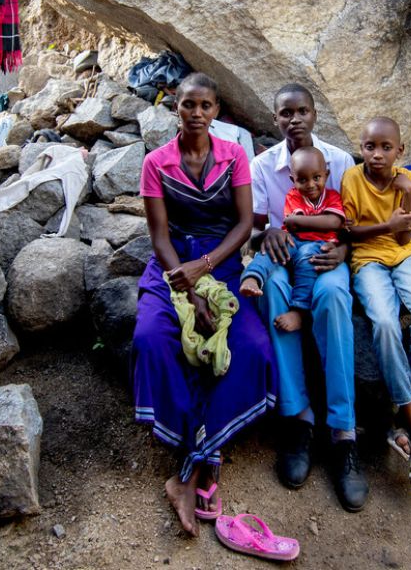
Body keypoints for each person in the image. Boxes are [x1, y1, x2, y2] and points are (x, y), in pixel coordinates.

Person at [131, 73, 277, 537]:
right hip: (172, 262)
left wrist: (208, 265)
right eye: (188, 104)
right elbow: (158, 234)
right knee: (151, 339)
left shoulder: (234, 155)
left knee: (253, 348)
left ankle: (194, 464)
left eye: (206, 106)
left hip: (223, 260)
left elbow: (243, 223)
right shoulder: (157, 162)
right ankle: (202, 460)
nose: (197, 113)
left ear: (217, 111)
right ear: (175, 106)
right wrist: (188, 288)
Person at [249, 84, 367, 512]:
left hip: (327, 257)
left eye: (302, 112)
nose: (294, 120)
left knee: (335, 296)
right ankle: (298, 420)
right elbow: (256, 228)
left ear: (315, 115)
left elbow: (352, 223)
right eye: (285, 113)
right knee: (275, 288)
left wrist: (344, 250)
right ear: (276, 119)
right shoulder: (263, 165)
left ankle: (343, 434)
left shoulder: (337, 161)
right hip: (284, 257)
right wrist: (271, 232)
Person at [341, 116, 411, 492]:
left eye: (386, 148)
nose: (378, 154)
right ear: (362, 148)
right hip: (366, 260)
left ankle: (403, 413)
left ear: (400, 151)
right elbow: (348, 231)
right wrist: (387, 223)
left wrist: (402, 195)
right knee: (383, 322)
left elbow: (409, 234)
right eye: (370, 147)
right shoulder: (352, 179)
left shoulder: (410, 181)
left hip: (403, 257)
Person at [240, 146, 346, 333]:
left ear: (326, 174)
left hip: (320, 245)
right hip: (293, 240)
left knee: (308, 259)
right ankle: (252, 277)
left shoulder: (332, 197)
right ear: (292, 180)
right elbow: (293, 226)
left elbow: (334, 221)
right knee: (271, 251)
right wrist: (317, 222)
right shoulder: (293, 196)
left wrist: (301, 221)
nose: (310, 185)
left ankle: (299, 310)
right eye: (302, 180)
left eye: (317, 178)